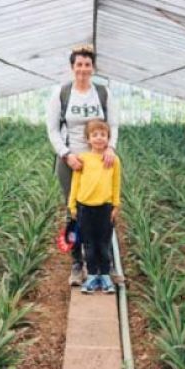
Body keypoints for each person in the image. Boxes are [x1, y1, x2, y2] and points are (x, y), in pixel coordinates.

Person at [46, 45, 119, 286]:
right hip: (72, 162)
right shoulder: (62, 93)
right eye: (79, 64)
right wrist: (66, 154)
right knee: (75, 210)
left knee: (104, 210)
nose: (83, 69)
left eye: (87, 65)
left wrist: (110, 148)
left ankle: (105, 264)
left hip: (100, 161)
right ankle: (78, 263)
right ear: (72, 67)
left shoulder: (103, 93)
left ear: (93, 68)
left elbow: (114, 125)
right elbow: (53, 129)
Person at [68, 119, 121, 294]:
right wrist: (72, 206)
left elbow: (116, 184)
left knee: (104, 243)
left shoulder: (113, 160)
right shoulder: (82, 159)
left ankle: (105, 275)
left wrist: (115, 205)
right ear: (88, 139)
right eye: (95, 135)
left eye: (103, 135)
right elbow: (75, 183)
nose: (99, 138)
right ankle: (91, 275)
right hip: (85, 208)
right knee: (89, 244)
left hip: (105, 207)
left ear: (108, 138)